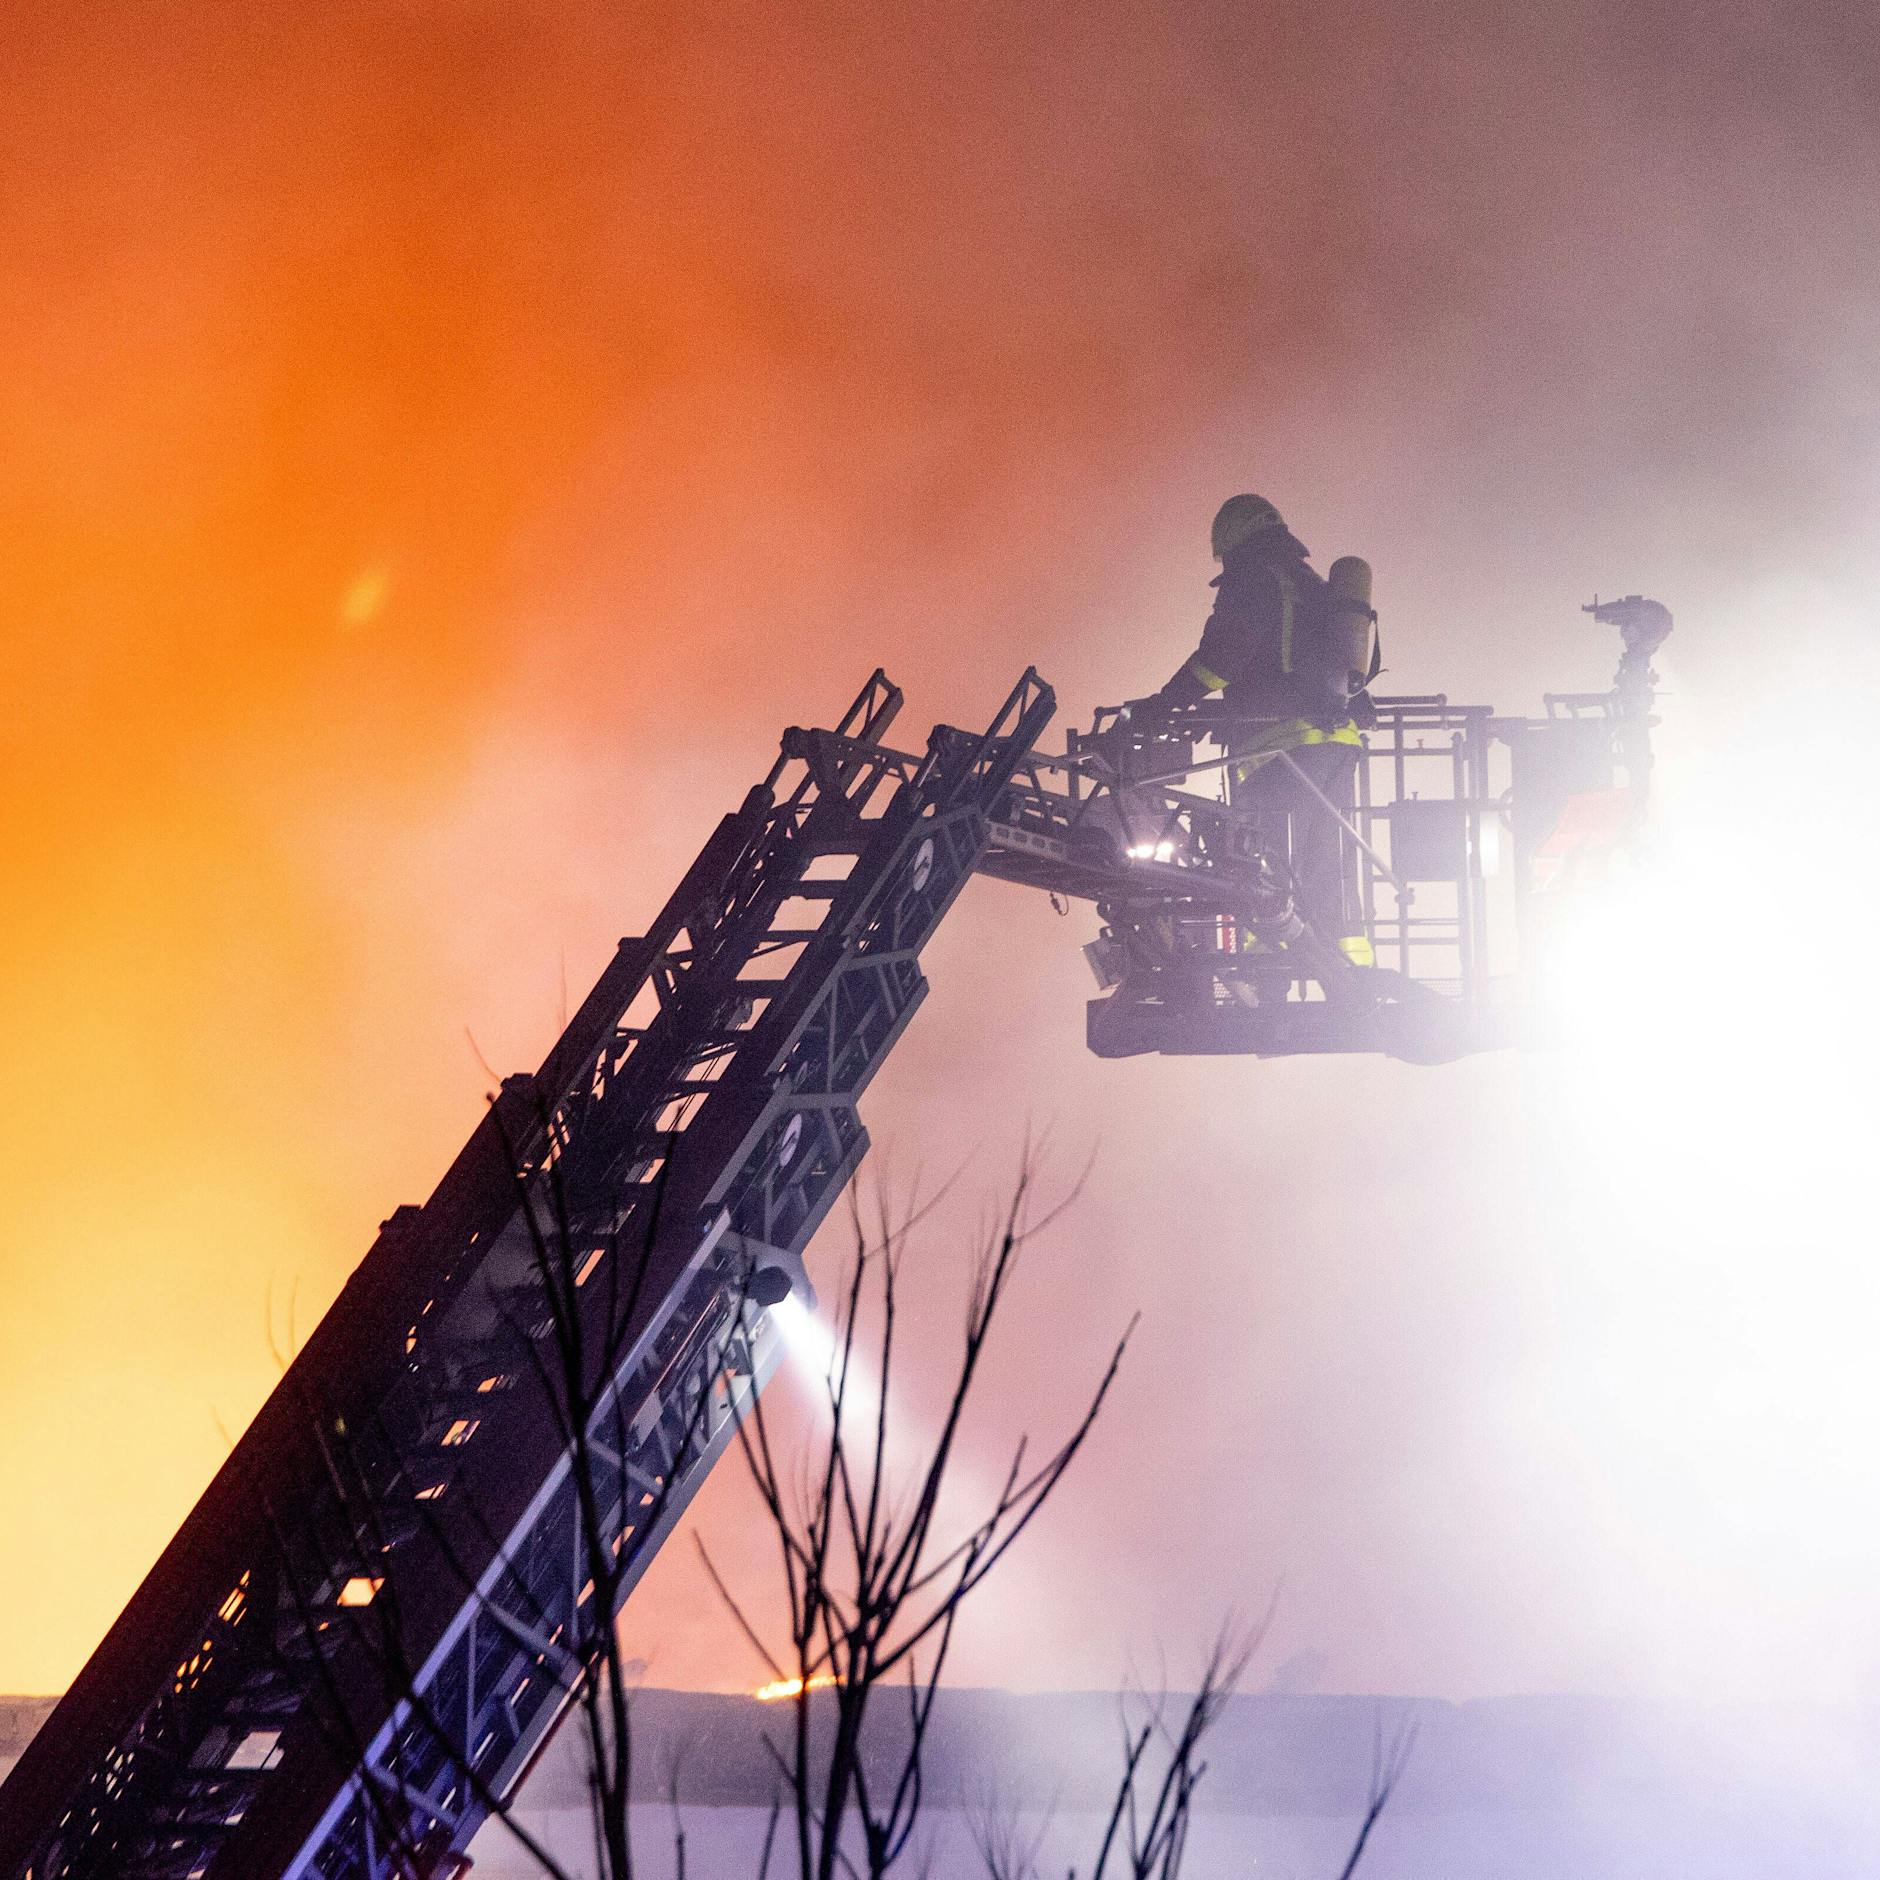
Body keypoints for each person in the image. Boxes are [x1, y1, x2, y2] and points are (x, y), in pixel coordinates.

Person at [1146, 493, 1377, 968]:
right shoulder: (1310, 585)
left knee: (1266, 866)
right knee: (1328, 859)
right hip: (1334, 743)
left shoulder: (1252, 581)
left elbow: (1219, 661)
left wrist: (1161, 706)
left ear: (1230, 543)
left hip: (1279, 751)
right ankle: (1349, 968)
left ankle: (1269, 972)